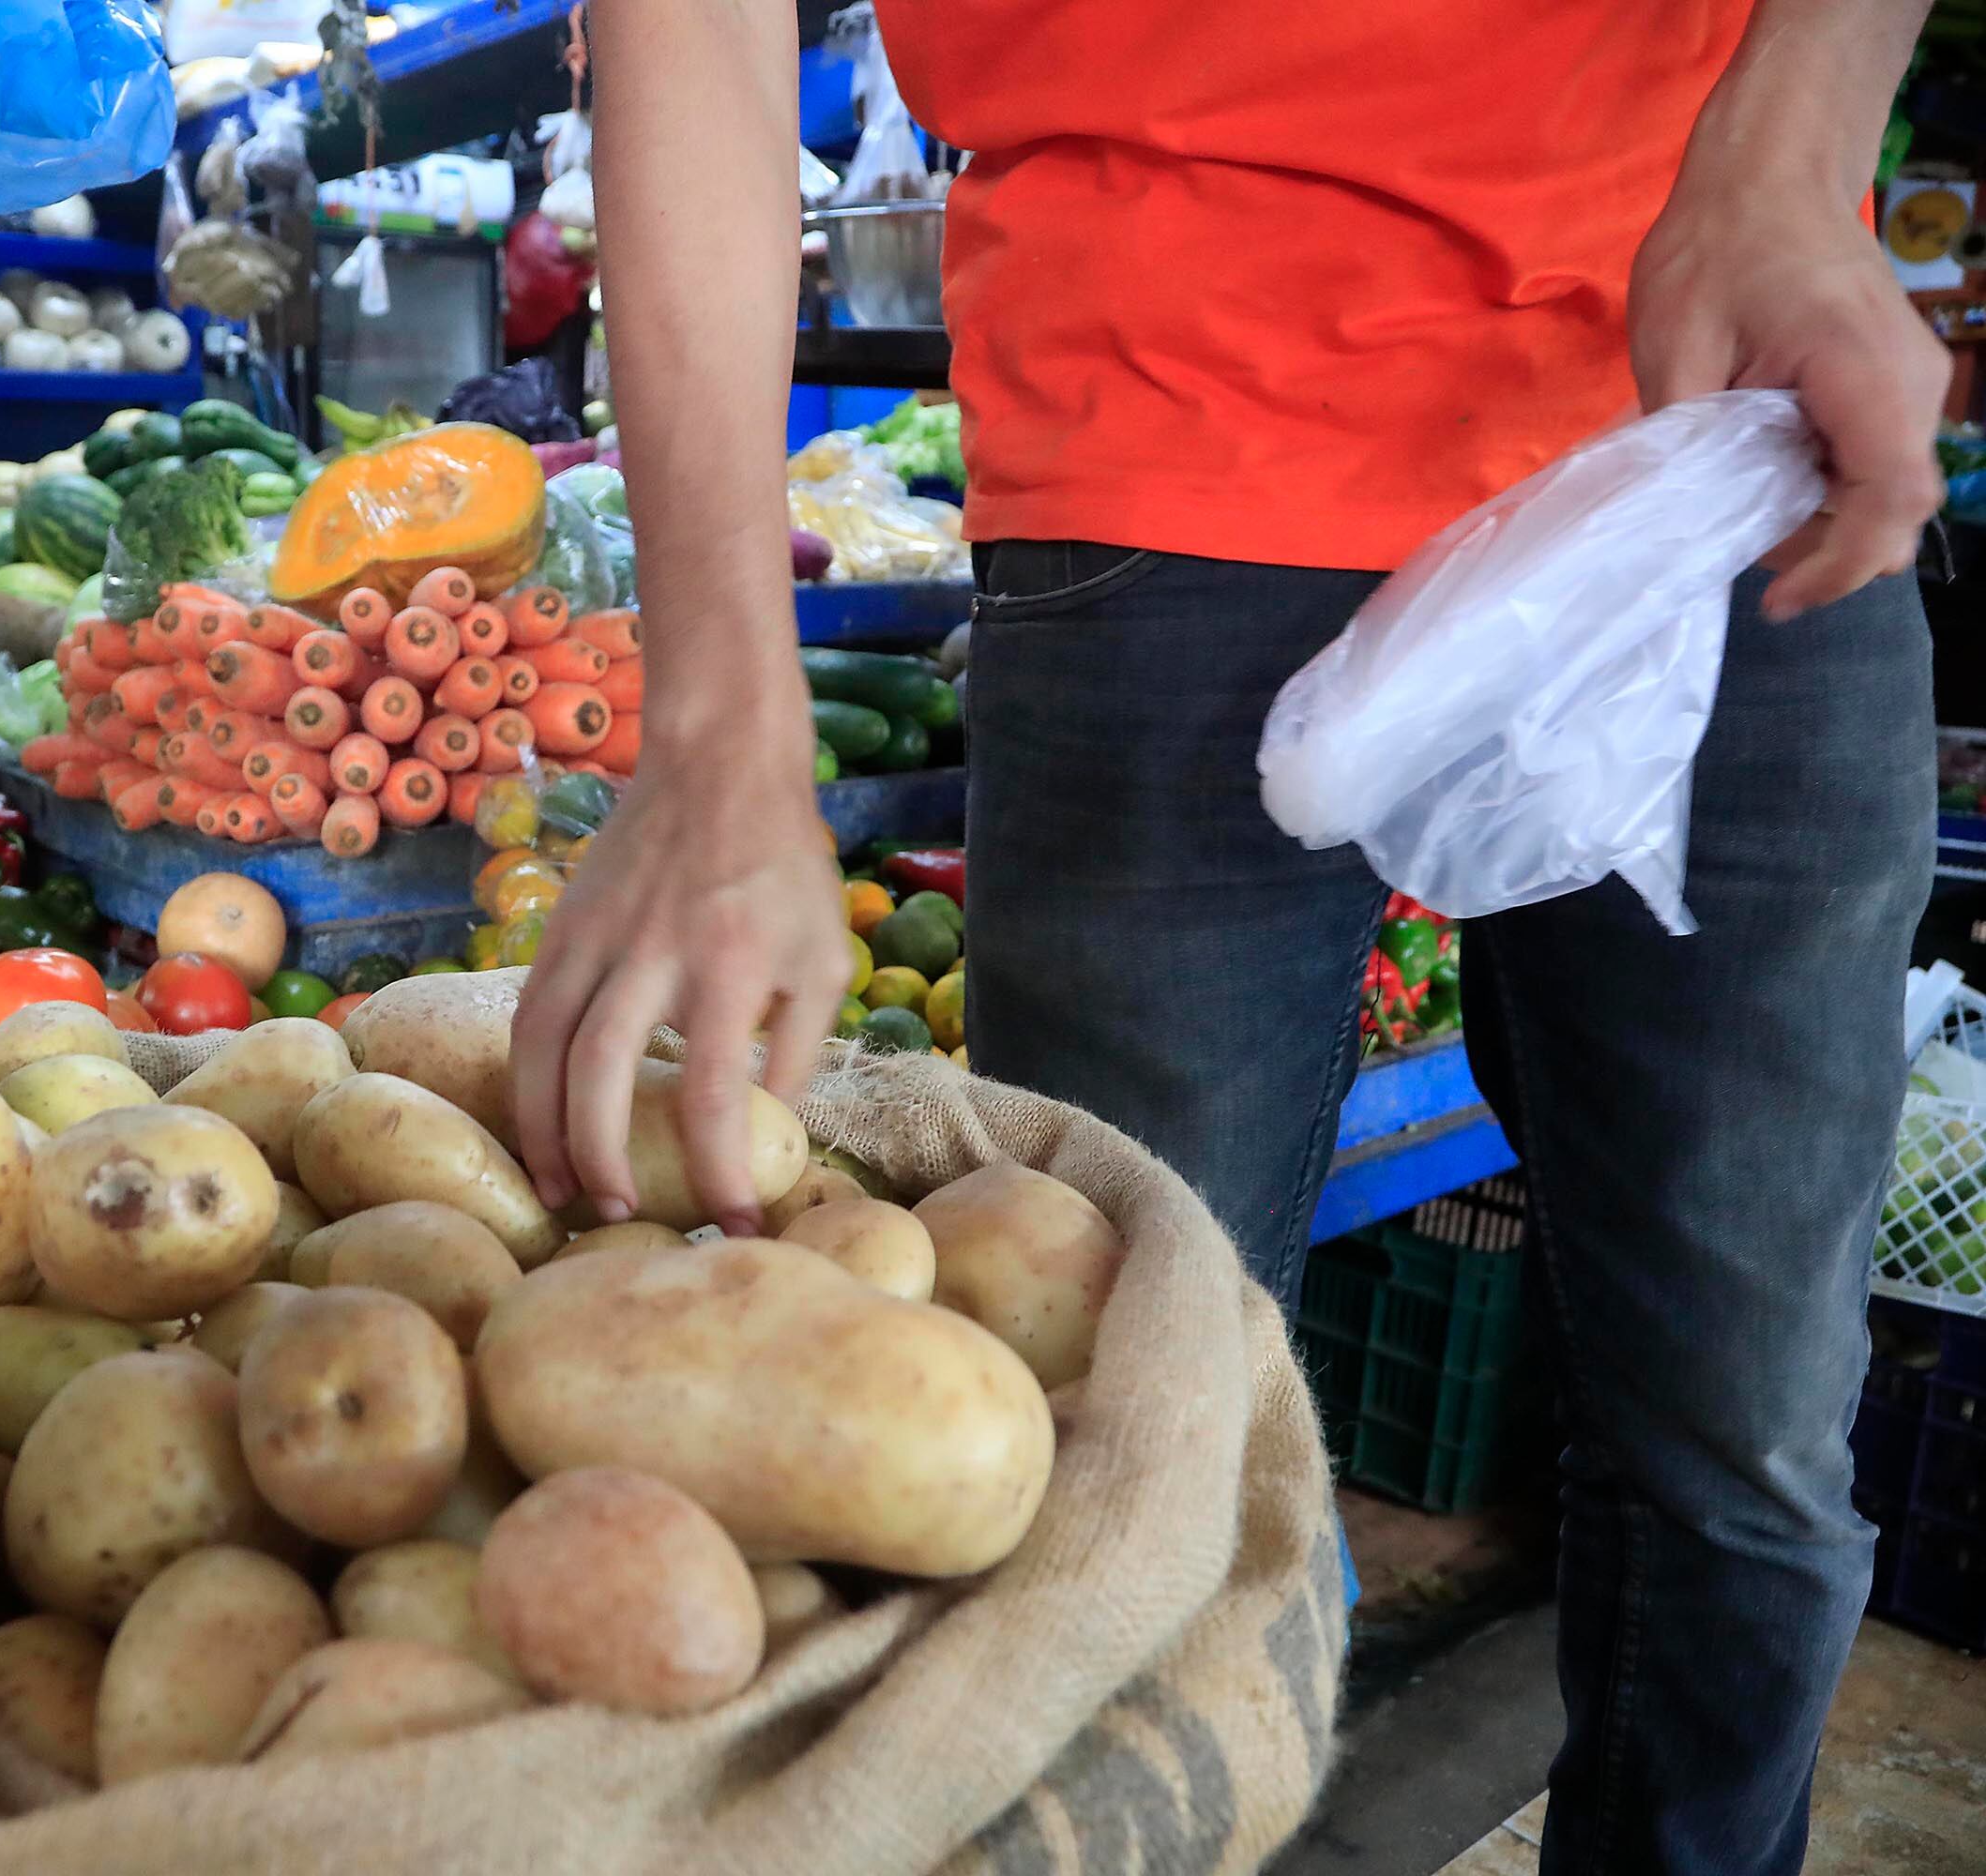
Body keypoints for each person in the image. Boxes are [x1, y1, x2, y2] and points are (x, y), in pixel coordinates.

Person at [510, 2, 1947, 1870]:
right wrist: (716, 717)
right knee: (1118, 1460)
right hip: (1168, 416)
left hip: (1724, 430)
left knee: (1752, 1459)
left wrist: (1795, 123)